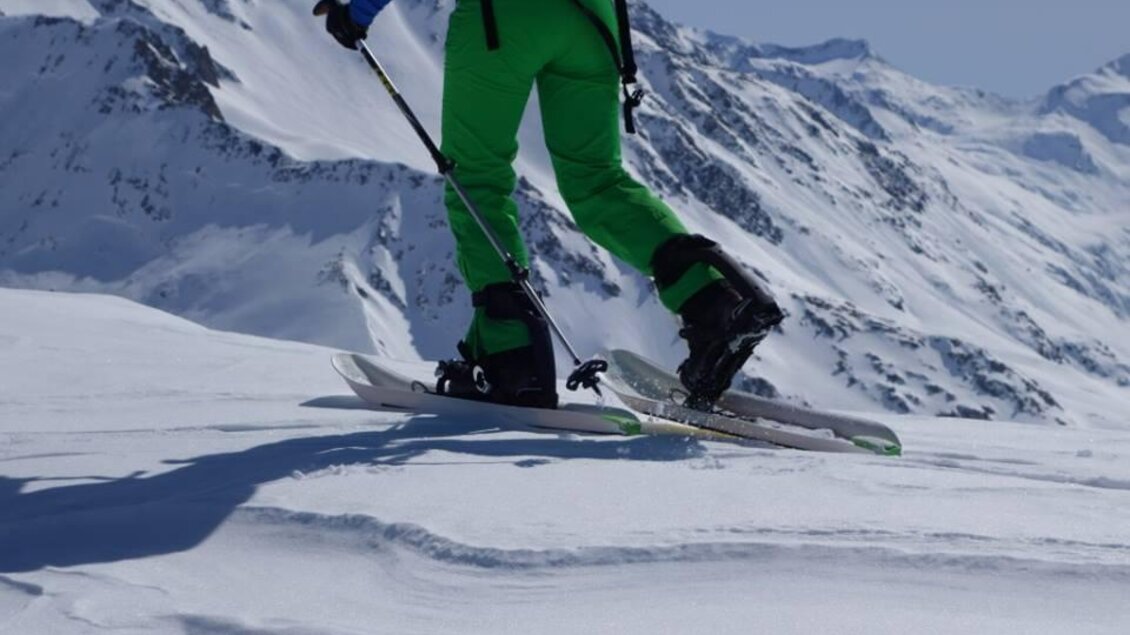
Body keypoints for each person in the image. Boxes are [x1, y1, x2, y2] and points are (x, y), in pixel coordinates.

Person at [314, 0, 783, 410]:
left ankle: (512, 360)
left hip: (506, 17)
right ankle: (714, 303)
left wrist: (356, 13)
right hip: (592, 18)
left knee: (477, 178)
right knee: (597, 180)